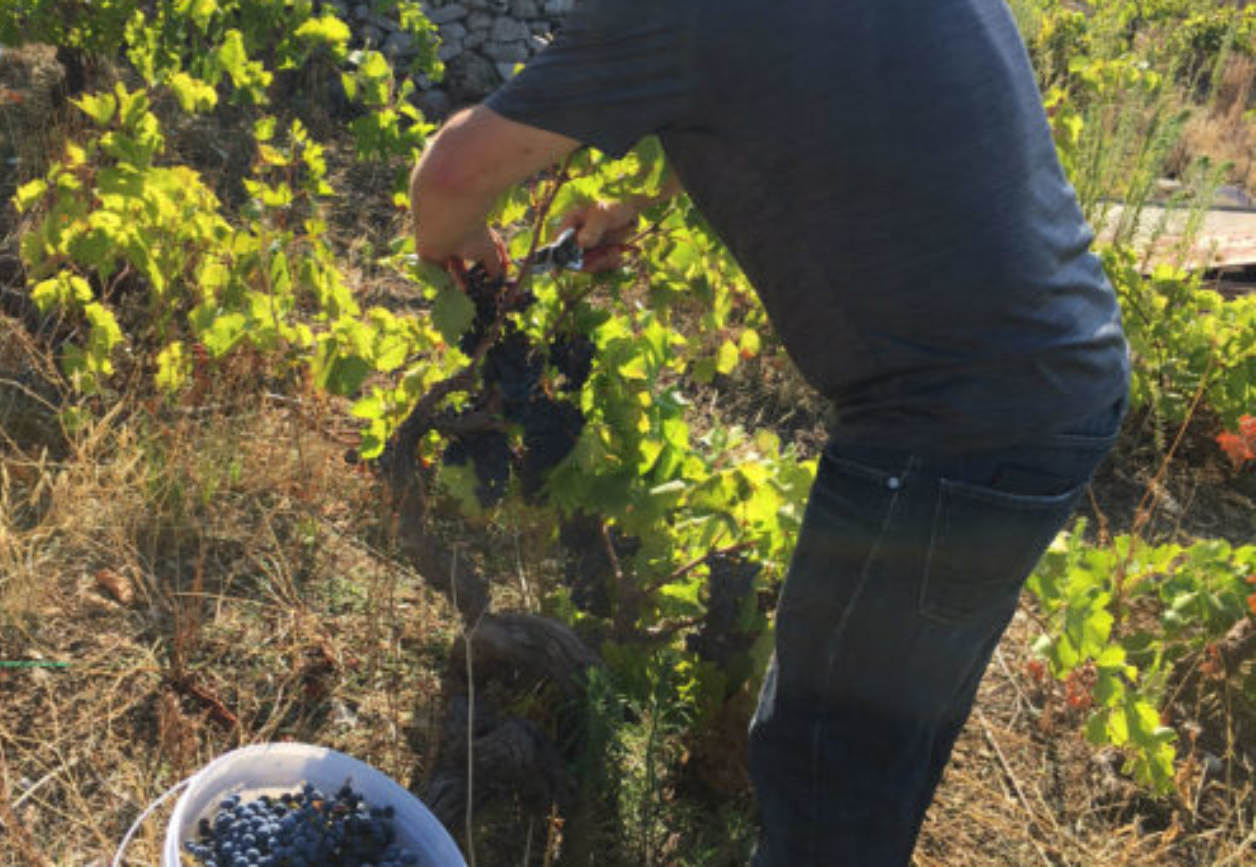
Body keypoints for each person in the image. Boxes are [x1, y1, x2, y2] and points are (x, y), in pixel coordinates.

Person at [408, 0, 1131, 863]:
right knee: (880, 755)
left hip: (950, 427)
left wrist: (467, 266)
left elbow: (449, 182)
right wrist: (646, 194)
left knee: (826, 778)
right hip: (1059, 387)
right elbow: (820, 89)